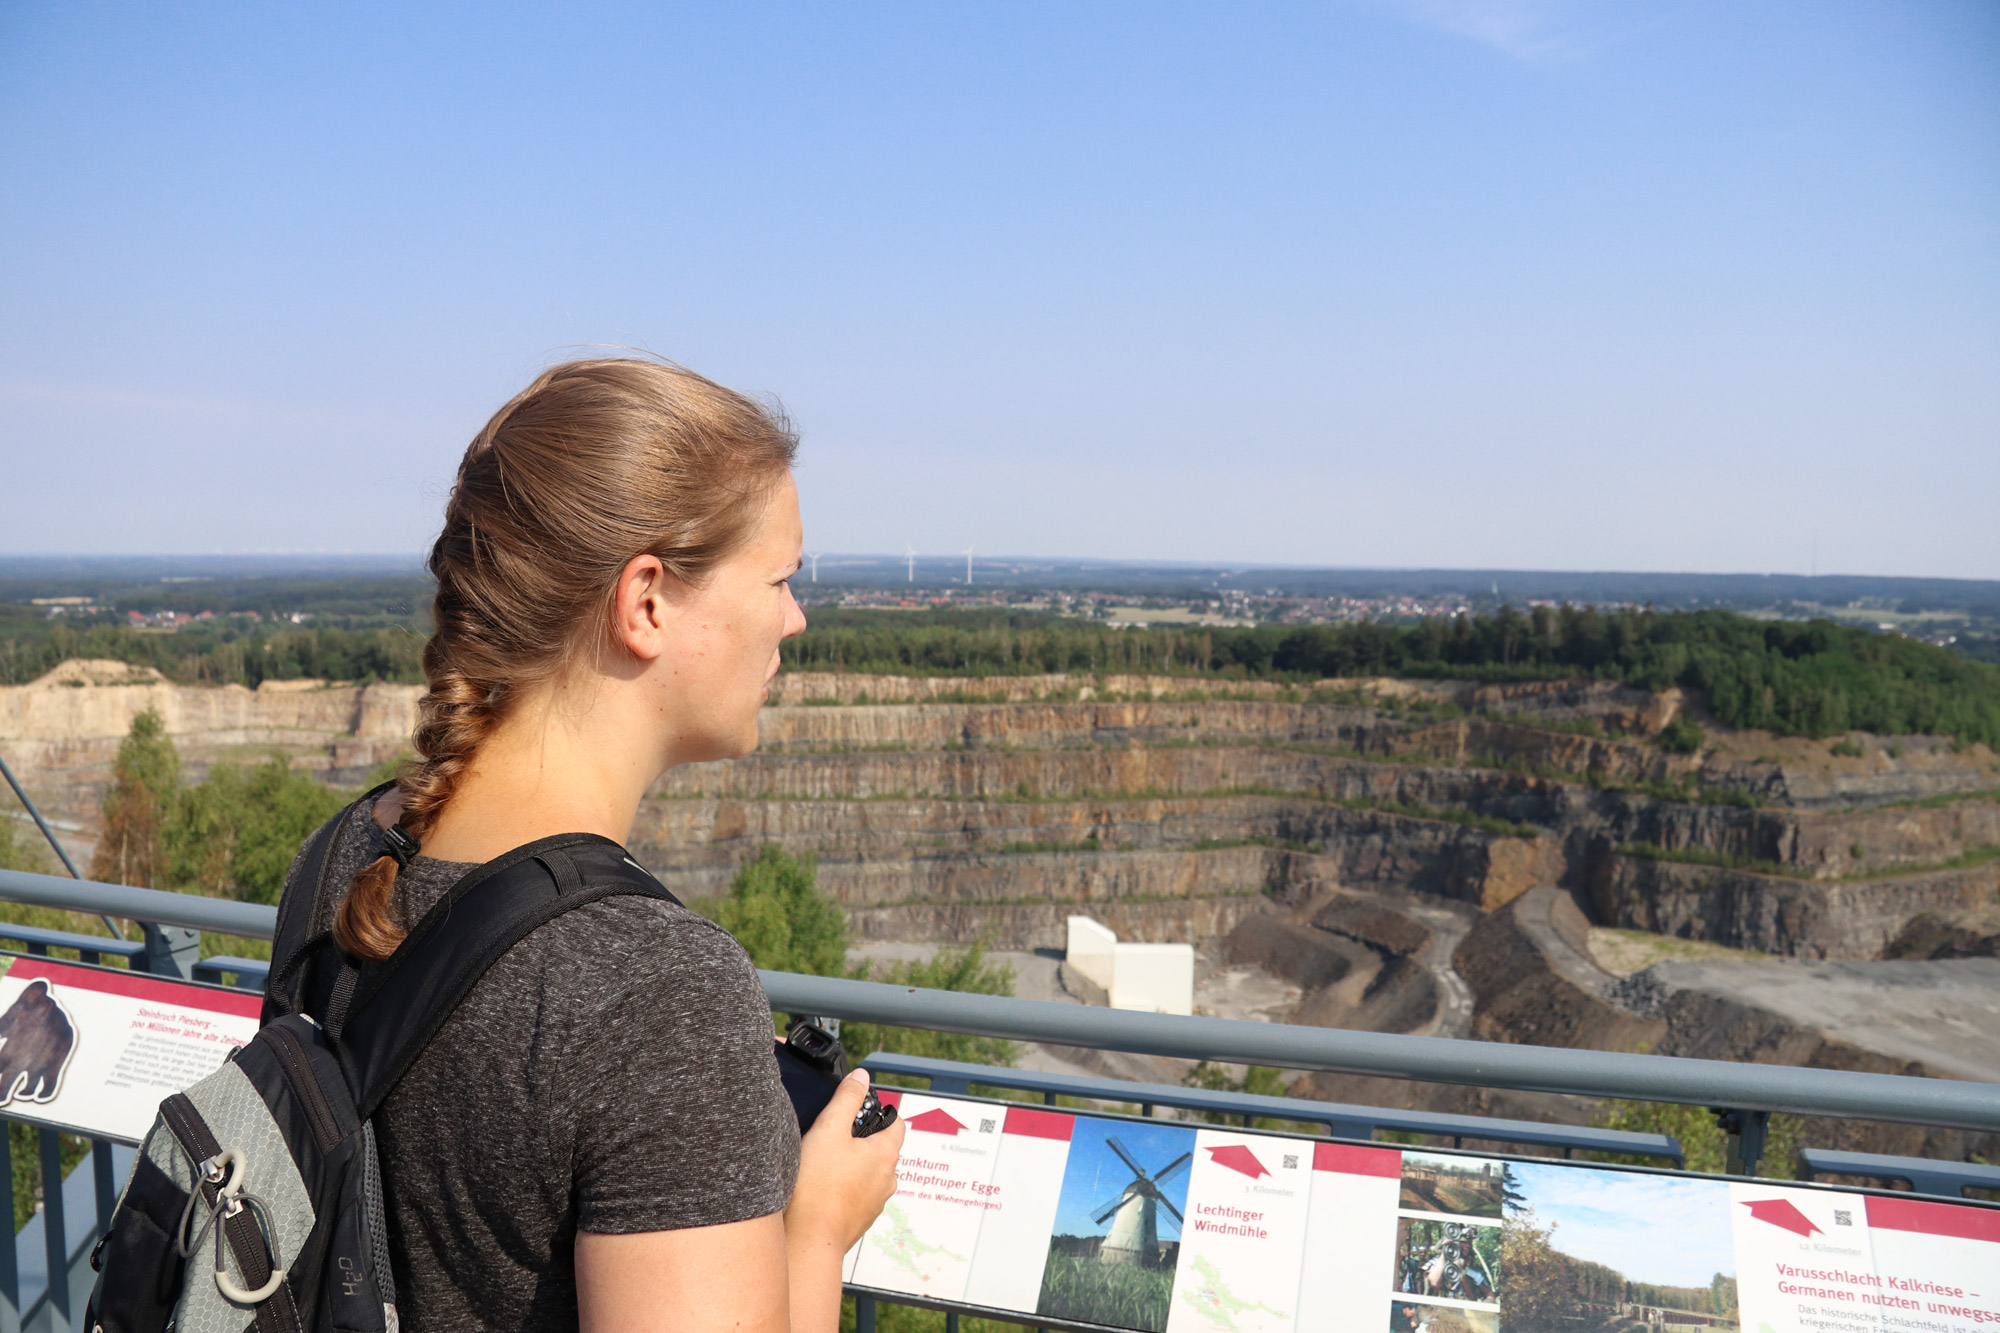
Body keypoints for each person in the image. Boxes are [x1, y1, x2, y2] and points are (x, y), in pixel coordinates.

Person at [280, 358, 904, 1332]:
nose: (795, 615)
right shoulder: (657, 992)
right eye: (779, 577)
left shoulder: (346, 859)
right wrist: (814, 1233)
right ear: (646, 599)